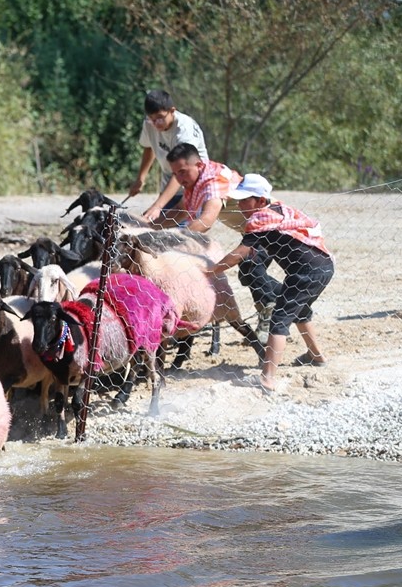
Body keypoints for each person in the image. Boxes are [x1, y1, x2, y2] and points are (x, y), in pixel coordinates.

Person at [210, 173, 334, 394]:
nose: (239, 204)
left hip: (306, 272)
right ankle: (316, 355)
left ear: (260, 200)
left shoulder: (259, 219)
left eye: (245, 199)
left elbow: (240, 252)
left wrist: (211, 270)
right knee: (300, 310)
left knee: (279, 319)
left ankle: (267, 379)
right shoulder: (278, 211)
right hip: (324, 266)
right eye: (238, 199)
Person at [129, 90, 208, 218]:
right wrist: (141, 178)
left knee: (181, 231)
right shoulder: (149, 124)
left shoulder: (183, 131)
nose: (156, 124)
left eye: (160, 118)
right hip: (171, 181)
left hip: (193, 184)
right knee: (156, 225)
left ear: (172, 111)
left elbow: (182, 171)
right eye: (152, 119)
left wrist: (157, 206)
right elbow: (149, 147)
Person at [147, 142, 243, 233]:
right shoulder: (197, 177)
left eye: (182, 172)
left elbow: (205, 221)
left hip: (257, 230)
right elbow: (180, 211)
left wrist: (177, 238)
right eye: (175, 174)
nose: (179, 179)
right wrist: (147, 227)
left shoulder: (213, 182)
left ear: (199, 165)